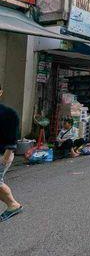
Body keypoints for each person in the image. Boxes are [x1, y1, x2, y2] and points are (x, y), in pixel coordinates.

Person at [0, 83, 23, 222]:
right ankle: (12, 205)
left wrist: (6, 158)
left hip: (2, 154)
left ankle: (13, 204)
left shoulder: (9, 113)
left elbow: (11, 141)